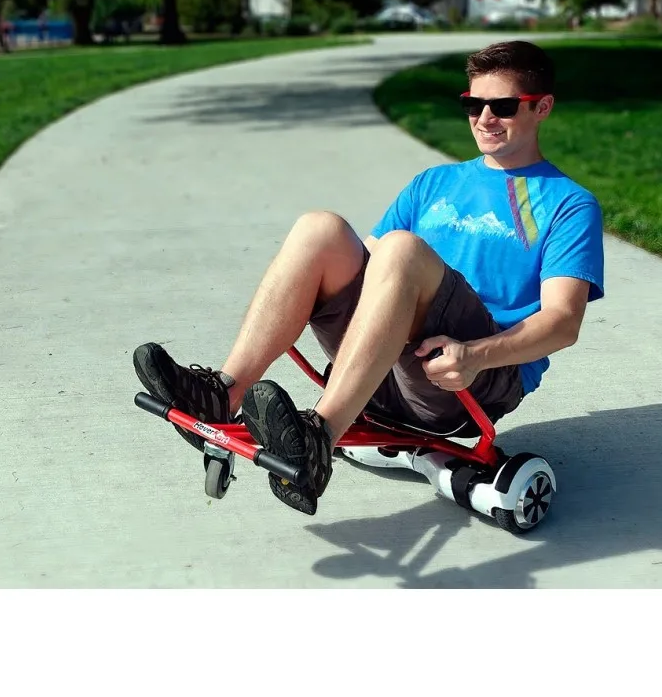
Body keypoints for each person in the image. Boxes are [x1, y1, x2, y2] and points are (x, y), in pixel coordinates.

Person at [133, 40, 605, 516]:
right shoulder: (434, 183)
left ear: (542, 107)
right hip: (382, 371)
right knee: (320, 228)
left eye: (502, 106)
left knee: (401, 248)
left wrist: (475, 355)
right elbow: (368, 268)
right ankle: (223, 391)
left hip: (467, 380)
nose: (484, 118)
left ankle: (318, 437)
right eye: (472, 104)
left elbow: (563, 323)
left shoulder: (568, 203)